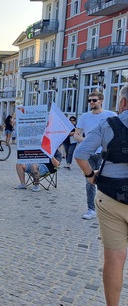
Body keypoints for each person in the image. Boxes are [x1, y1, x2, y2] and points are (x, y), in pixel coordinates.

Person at [74, 85, 128, 306]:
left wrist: (90, 175)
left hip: (112, 197)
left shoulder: (109, 124)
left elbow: (80, 153)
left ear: (123, 102)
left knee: (114, 259)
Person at [73, 90, 116, 220]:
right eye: (90, 100)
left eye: (94, 100)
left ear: (101, 101)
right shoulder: (85, 117)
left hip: (105, 154)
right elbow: (76, 134)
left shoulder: (111, 115)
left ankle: (105, 209)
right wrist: (89, 143)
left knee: (105, 181)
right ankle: (91, 209)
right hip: (88, 154)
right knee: (89, 181)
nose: (91, 103)